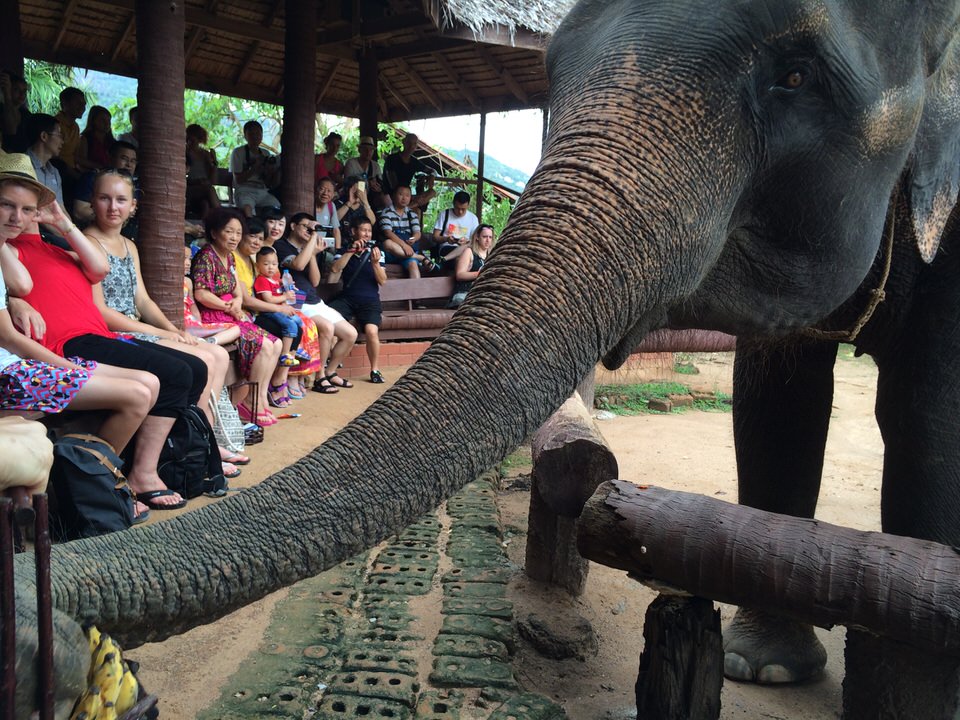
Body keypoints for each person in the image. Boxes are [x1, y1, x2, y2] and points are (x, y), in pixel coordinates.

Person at [6, 161, 203, 510]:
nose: (18, 217)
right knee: (171, 376)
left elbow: (100, 268)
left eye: (27, 208)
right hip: (66, 342)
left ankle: (127, 472)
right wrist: (14, 299)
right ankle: (106, 479)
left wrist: (62, 221)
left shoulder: (53, 247)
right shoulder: (10, 251)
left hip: (93, 335)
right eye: (8, 205)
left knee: (189, 370)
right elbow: (20, 284)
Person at [83, 170, 240, 475]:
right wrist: (156, 331)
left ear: (133, 206)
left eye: (121, 199)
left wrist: (173, 330)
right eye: (104, 198)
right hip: (113, 332)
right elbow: (99, 311)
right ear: (92, 201)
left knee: (217, 355)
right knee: (203, 360)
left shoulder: (129, 246)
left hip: (137, 326)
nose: (113, 207)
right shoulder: (87, 243)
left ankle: (202, 440)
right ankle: (188, 446)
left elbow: (142, 301)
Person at [191, 208, 283, 425]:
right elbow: (201, 293)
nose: (234, 238)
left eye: (238, 233)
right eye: (229, 232)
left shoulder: (230, 257)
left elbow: (237, 290)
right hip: (212, 314)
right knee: (264, 345)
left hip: (231, 313)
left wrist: (238, 302)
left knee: (276, 344)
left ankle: (259, 398)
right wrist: (227, 306)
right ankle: (250, 401)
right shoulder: (206, 256)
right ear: (214, 233)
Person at [234, 220, 321, 400]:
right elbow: (249, 300)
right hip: (252, 313)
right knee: (288, 330)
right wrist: (280, 306)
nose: (257, 242)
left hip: (261, 309)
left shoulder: (253, 258)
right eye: (252, 237)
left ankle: (288, 378)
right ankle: (277, 383)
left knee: (301, 323)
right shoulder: (237, 259)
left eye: (260, 238)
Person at [273, 212, 357, 393]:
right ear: (293, 226)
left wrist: (312, 254)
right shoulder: (281, 246)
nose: (310, 231)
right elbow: (297, 265)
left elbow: (315, 281)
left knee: (351, 334)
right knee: (327, 328)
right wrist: (313, 240)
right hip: (297, 303)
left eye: (313, 228)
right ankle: (320, 377)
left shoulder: (309, 249)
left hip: (315, 301)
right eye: (306, 227)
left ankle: (331, 372)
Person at [328, 217, 387, 384]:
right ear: (354, 232)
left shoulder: (377, 253)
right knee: (330, 322)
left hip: (370, 301)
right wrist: (351, 251)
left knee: (371, 331)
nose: (367, 234)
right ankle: (333, 362)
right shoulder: (344, 251)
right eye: (363, 230)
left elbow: (382, 281)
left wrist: (375, 263)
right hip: (347, 299)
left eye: (369, 231)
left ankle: (374, 370)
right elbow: (335, 268)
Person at [253, 246, 302, 369]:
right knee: (290, 325)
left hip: (278, 310)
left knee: (298, 320)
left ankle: (295, 350)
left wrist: (287, 286)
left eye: (274, 264)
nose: (271, 267)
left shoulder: (275, 280)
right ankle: (285, 354)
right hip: (269, 311)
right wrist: (285, 296)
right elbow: (268, 299)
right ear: (258, 265)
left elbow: (281, 287)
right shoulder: (262, 280)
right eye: (266, 264)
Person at [73, 140, 139, 229]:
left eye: (133, 161)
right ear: (111, 158)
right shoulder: (93, 178)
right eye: (124, 159)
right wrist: (117, 216)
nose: (129, 165)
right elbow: (80, 211)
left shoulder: (134, 185)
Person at [379, 185, 433, 278]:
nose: (404, 198)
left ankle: (416, 292)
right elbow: (388, 232)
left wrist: (413, 238)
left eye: (407, 195)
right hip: (392, 252)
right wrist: (404, 246)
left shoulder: (412, 214)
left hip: (409, 251)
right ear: (393, 196)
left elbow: (417, 233)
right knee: (387, 243)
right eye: (400, 194)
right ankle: (420, 258)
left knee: (413, 265)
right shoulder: (386, 212)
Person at [229, 120, 280, 216]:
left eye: (257, 133)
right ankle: (251, 227)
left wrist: (270, 171)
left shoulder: (265, 153)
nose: (255, 136)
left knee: (276, 208)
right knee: (248, 208)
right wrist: (255, 167)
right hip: (244, 190)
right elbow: (238, 180)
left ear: (262, 135)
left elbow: (269, 183)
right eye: (251, 134)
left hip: (262, 191)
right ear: (245, 136)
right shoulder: (238, 152)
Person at [383, 133, 436, 213]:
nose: (411, 146)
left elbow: (432, 170)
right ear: (404, 142)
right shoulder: (392, 159)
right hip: (393, 194)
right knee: (417, 209)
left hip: (407, 196)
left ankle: (407, 208)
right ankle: (406, 208)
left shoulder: (414, 161)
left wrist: (432, 176)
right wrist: (411, 197)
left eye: (414, 144)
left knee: (432, 192)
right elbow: (394, 185)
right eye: (409, 143)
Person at [449, 223, 495, 308]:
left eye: (490, 237)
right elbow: (460, 275)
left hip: (484, 293)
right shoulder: (469, 252)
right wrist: (480, 273)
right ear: (477, 237)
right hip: (465, 293)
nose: (488, 240)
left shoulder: (492, 255)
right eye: (484, 237)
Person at [25, 113, 65, 207]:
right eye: (59, 135)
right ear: (44, 136)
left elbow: (61, 210)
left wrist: (70, 222)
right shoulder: (20, 166)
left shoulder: (54, 172)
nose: (62, 142)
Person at [431, 190, 479, 265]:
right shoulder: (445, 214)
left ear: (468, 205)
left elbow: (476, 240)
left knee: (466, 255)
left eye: (463, 209)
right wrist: (446, 239)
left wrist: (467, 241)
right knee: (462, 258)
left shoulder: (473, 218)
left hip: (466, 248)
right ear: (453, 204)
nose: (460, 212)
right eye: (457, 208)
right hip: (447, 247)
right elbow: (435, 237)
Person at [186, 123, 220, 217]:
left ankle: (205, 227)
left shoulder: (205, 154)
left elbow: (213, 180)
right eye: (188, 139)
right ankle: (221, 215)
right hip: (188, 189)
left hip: (203, 189)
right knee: (210, 190)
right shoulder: (183, 152)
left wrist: (214, 163)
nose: (190, 142)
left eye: (194, 140)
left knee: (205, 205)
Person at [343, 135, 385, 208]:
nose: (368, 152)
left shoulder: (375, 165)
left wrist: (377, 187)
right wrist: (368, 183)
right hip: (354, 198)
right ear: (359, 150)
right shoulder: (351, 163)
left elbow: (380, 182)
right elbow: (348, 183)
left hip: (372, 199)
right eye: (365, 149)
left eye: (371, 150)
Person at [337, 178, 376, 246]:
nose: (358, 192)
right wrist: (350, 202)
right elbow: (335, 219)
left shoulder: (365, 207)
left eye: (361, 189)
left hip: (361, 244)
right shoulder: (339, 203)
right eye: (355, 189)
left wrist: (365, 201)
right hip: (341, 243)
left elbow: (372, 222)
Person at [76, 105, 114, 173]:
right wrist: (100, 167)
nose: (107, 123)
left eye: (109, 120)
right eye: (103, 120)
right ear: (93, 121)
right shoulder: (85, 139)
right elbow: (80, 161)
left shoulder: (112, 141)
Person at [1, 72, 32, 153]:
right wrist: (7, 96)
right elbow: (11, 130)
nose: (22, 94)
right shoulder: (2, 108)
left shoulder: (26, 114)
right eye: (16, 89)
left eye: (24, 91)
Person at [314, 177, 341, 254]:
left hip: (321, 248)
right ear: (316, 190)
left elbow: (336, 230)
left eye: (329, 191)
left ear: (333, 195)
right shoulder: (309, 204)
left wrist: (337, 252)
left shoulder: (331, 206)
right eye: (322, 189)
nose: (325, 193)